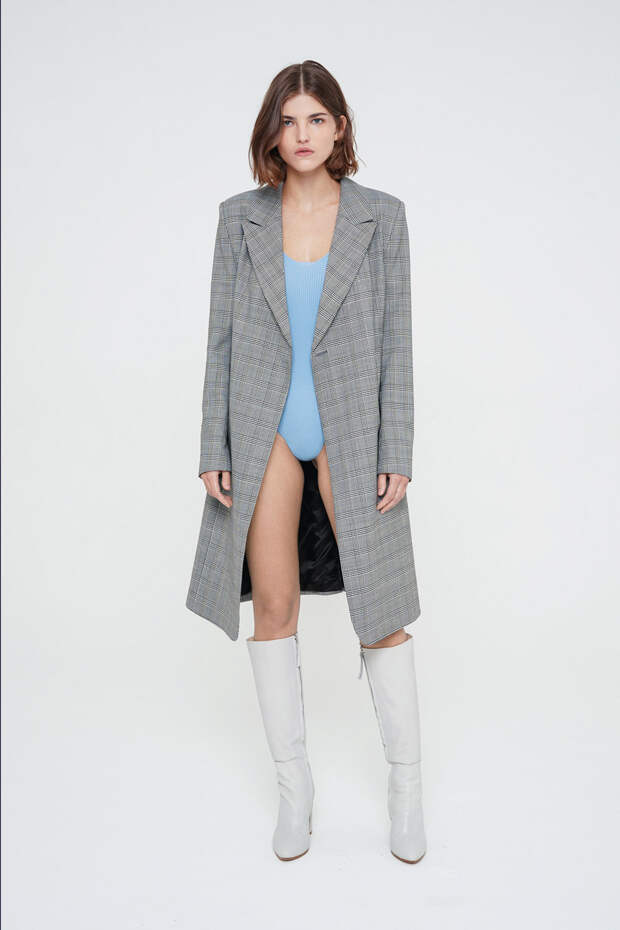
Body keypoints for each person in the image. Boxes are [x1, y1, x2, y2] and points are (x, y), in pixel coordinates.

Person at [186, 60, 427, 864]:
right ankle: (295, 792)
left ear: (339, 128)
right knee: (274, 608)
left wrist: (397, 448)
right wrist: (213, 445)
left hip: (353, 427)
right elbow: (220, 340)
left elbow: (398, 342)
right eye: (288, 121)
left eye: (316, 119)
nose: (302, 135)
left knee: (381, 610)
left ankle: (406, 788)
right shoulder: (240, 219)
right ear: (272, 131)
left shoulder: (382, 217)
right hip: (265, 429)